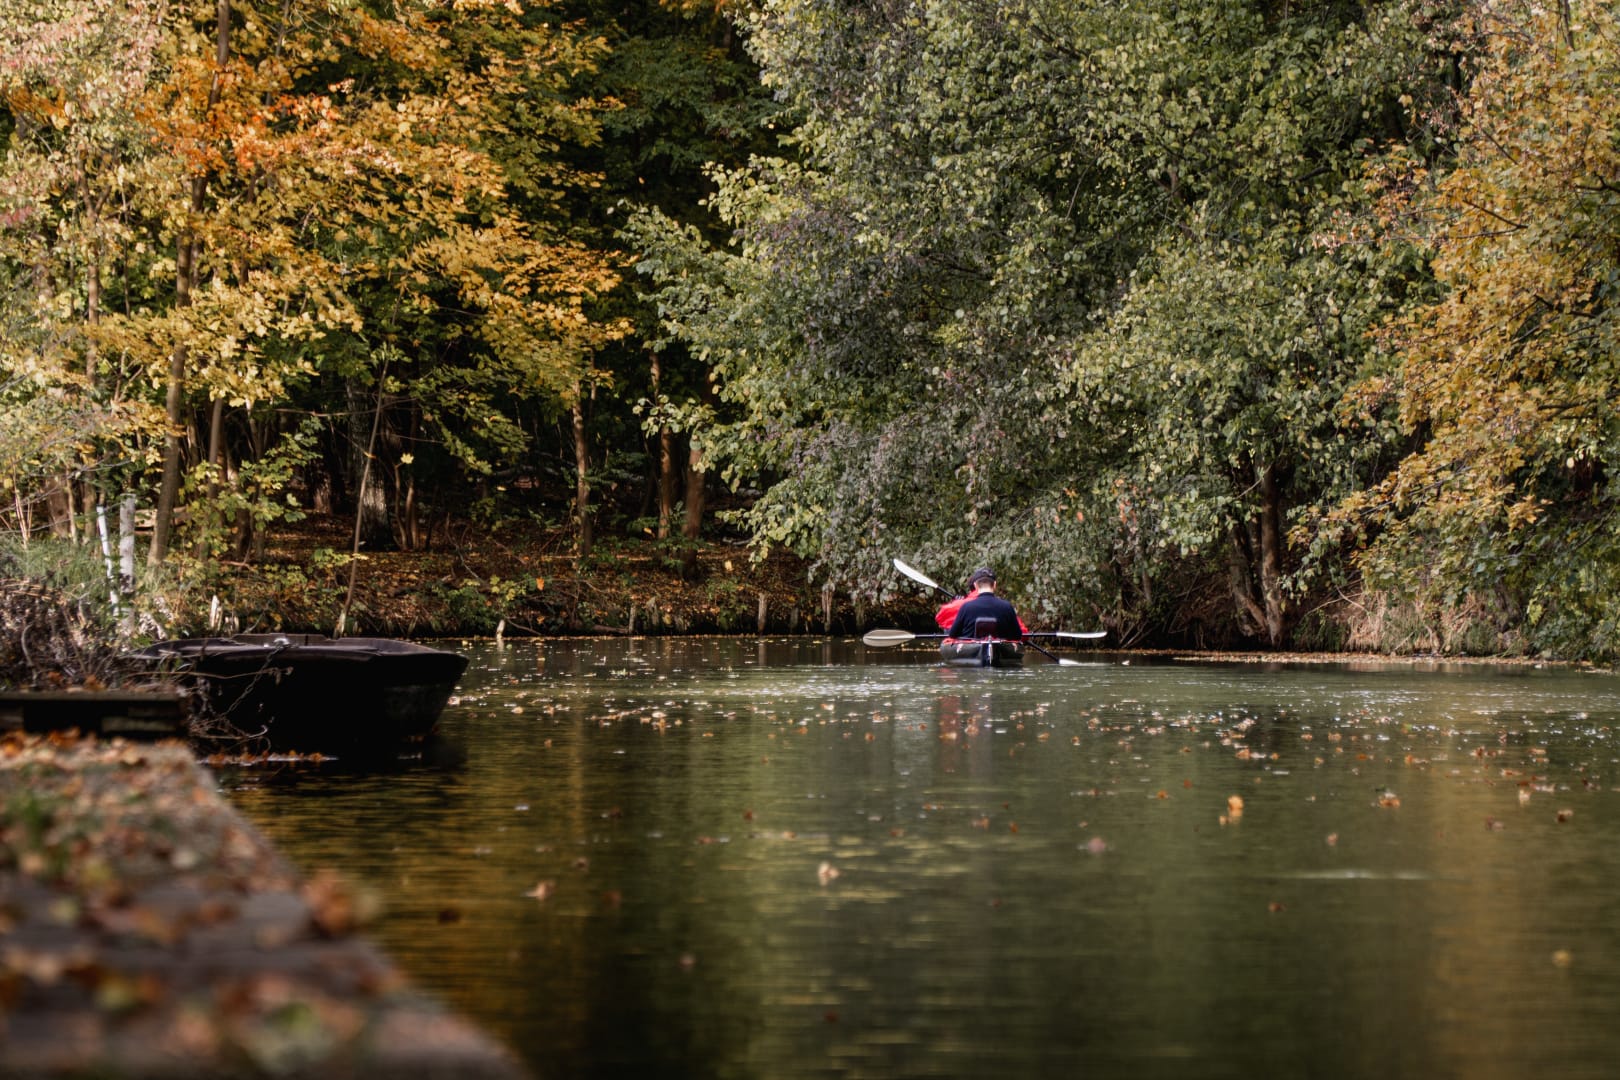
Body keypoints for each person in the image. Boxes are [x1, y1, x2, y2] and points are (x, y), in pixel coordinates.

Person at [945, 568, 1026, 640]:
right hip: (1000, 649)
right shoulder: (1007, 607)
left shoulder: (966, 607)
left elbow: (953, 634)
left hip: (971, 650)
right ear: (994, 585)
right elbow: (1017, 635)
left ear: (975, 586)